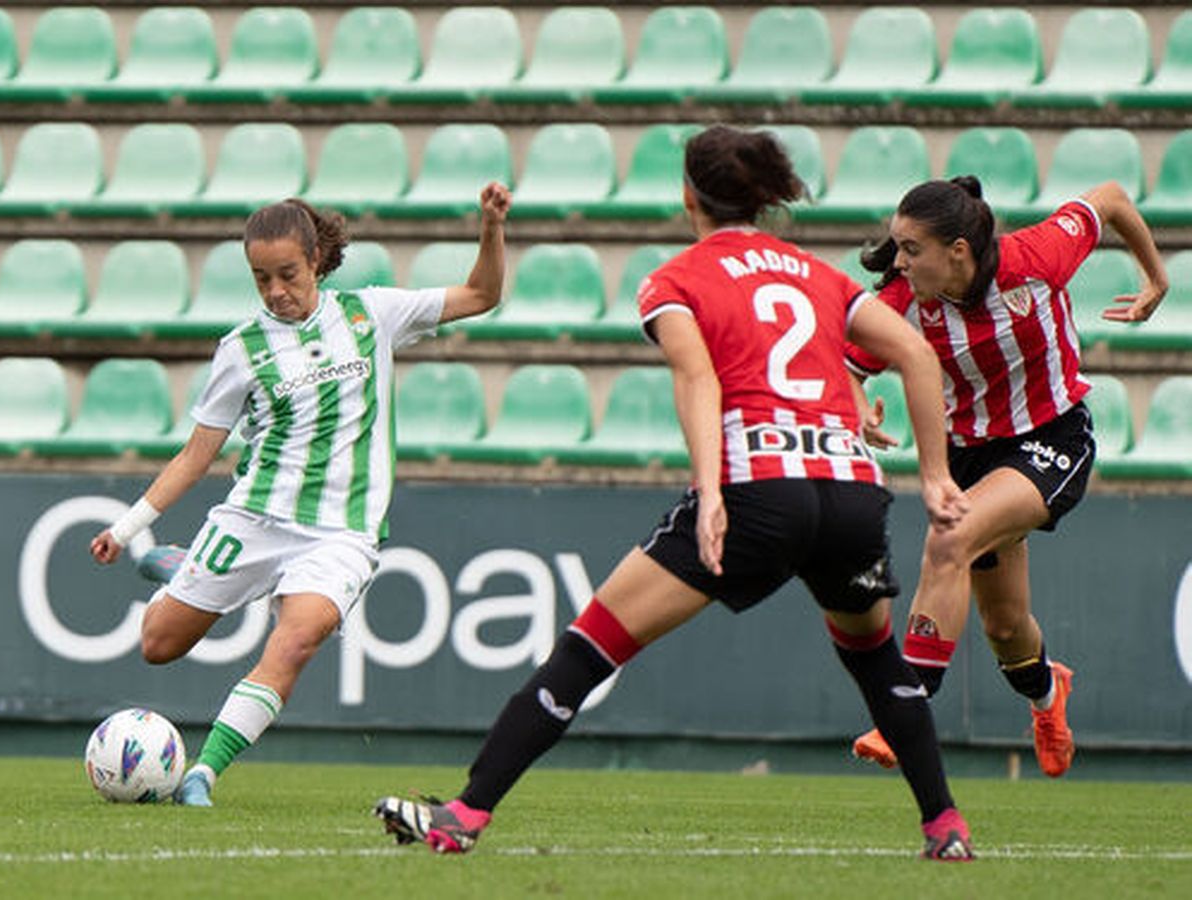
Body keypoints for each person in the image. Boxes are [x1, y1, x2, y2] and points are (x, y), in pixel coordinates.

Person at [374, 125, 978, 861]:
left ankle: (466, 813)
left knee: (589, 647)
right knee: (876, 658)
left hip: (758, 488)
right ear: (762, 196)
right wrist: (935, 476)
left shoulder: (678, 279)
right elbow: (915, 351)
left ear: (688, 196)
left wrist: (711, 491)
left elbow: (699, 378)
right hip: (848, 492)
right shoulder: (818, 276)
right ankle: (945, 827)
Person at [91, 185, 513, 806]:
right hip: (256, 517)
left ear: (316, 260)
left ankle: (203, 774)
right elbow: (196, 456)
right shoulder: (241, 350)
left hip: (341, 534)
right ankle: (181, 566)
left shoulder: (371, 315)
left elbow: (482, 294)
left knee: (295, 641)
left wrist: (491, 228)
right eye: (261, 279)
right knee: (159, 645)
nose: (275, 291)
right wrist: (127, 529)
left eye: (287, 274)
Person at [844, 176, 1169, 777]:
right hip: (971, 455)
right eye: (898, 247)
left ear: (958, 251)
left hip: (1051, 438)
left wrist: (1157, 279)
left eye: (912, 249)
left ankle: (904, 708)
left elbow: (1112, 197)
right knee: (1005, 625)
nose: (900, 262)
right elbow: (850, 368)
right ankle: (1048, 697)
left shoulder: (1037, 258)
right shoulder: (903, 296)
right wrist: (859, 403)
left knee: (951, 536)